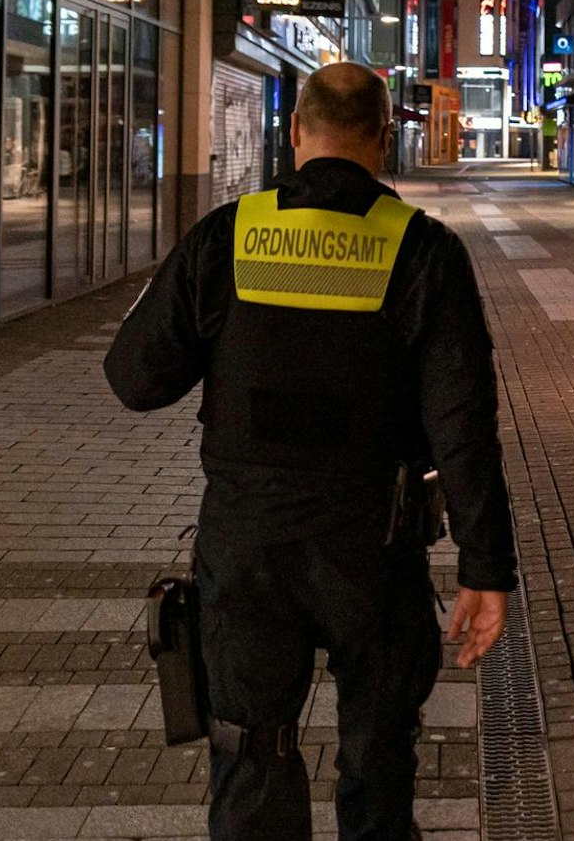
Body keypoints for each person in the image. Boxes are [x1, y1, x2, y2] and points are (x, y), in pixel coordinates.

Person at [105, 63, 518, 841]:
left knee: (249, 751)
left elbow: (135, 378)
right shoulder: (424, 251)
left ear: (295, 130)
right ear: (384, 139)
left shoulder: (226, 237)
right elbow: (464, 425)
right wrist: (485, 566)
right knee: (378, 753)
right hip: (374, 550)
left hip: (246, 549)